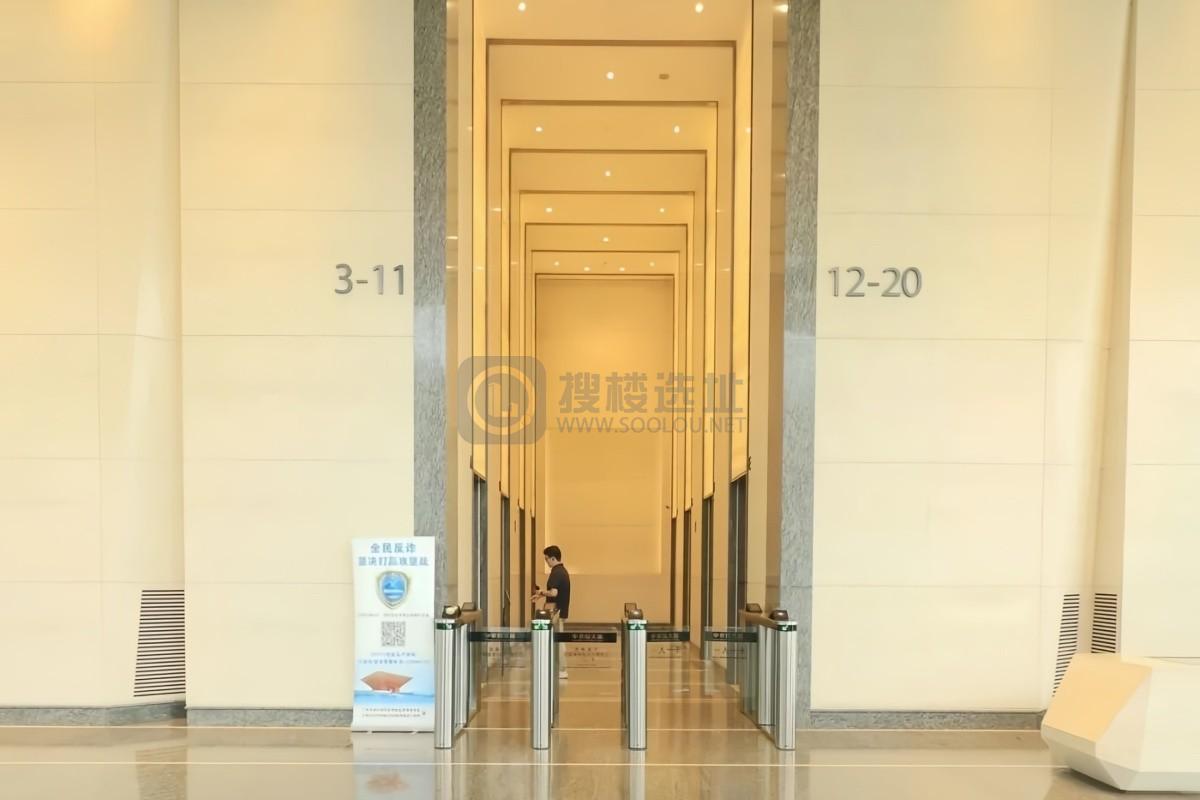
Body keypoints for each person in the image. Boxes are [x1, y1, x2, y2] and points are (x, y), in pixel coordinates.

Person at [530, 545, 571, 679]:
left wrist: (541, 592)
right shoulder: (562, 571)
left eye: (547, 559)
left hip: (556, 612)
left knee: (558, 642)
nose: (546, 562)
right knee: (558, 640)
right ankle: (559, 668)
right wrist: (540, 595)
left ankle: (562, 669)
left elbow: (553, 593)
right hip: (560, 611)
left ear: (553, 558)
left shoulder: (556, 572)